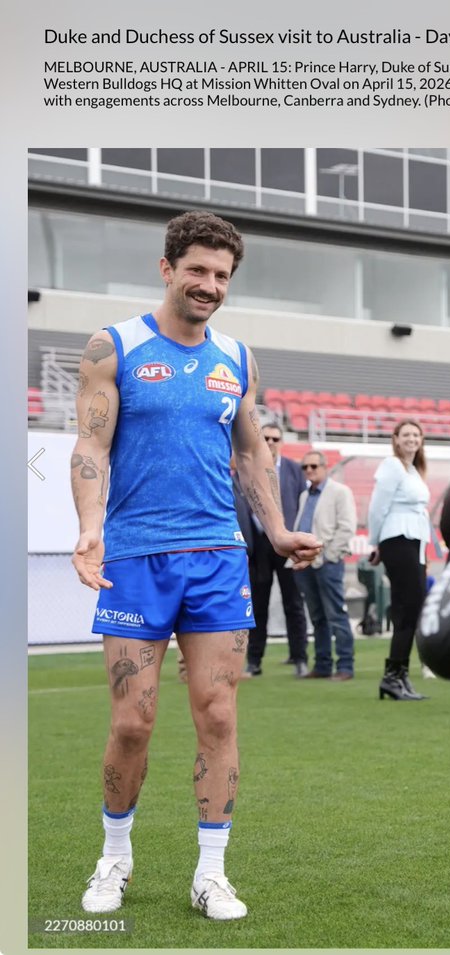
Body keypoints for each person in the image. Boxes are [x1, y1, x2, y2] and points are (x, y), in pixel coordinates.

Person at [71, 211, 321, 920]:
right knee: (133, 723)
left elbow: (251, 451)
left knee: (218, 714)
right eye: (198, 271)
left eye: (221, 275)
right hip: (135, 557)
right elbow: (90, 446)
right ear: (167, 269)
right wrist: (90, 526)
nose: (210, 285)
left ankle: (211, 872)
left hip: (217, 556)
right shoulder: (112, 347)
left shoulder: (236, 359)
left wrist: (275, 527)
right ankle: (114, 855)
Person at [368, 420, 432, 702]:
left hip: (413, 541)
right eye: (406, 434)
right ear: (395, 439)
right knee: (408, 608)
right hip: (398, 539)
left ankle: (399, 674)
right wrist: (374, 542)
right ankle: (393, 676)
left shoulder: (414, 470)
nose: (411, 439)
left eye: (416, 434)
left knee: (412, 608)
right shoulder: (392, 466)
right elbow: (377, 506)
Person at [244, 422, 309, 677]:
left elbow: (303, 506)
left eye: (275, 438)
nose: (270, 442)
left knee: (293, 603)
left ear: (282, 441)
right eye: (266, 437)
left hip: (288, 543)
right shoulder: (248, 467)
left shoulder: (294, 470)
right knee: (257, 605)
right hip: (259, 543)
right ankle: (254, 660)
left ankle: (300, 657)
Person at [294, 451, 358, 681]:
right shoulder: (305, 495)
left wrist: (329, 555)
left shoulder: (339, 492)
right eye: (305, 467)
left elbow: (347, 527)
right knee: (317, 616)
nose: (309, 470)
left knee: (335, 614)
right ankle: (322, 665)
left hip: (327, 562)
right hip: (305, 564)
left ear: (324, 467)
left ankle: (345, 666)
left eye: (313, 466)